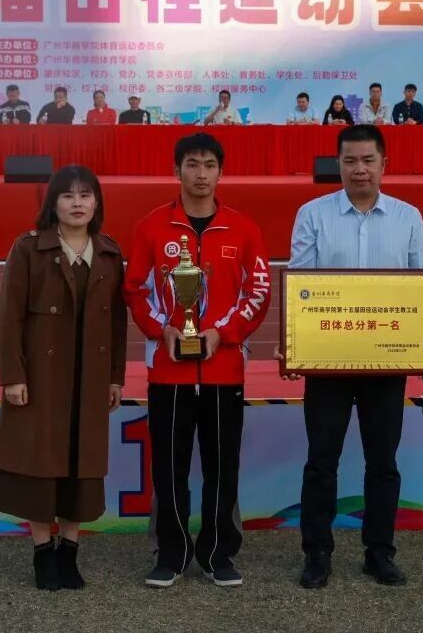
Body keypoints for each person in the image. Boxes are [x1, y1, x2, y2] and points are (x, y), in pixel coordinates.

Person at [284, 124, 423, 590]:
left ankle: (379, 552)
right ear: (338, 164)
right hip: (328, 361)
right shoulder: (312, 214)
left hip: (385, 362)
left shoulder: (408, 217)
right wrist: (295, 338)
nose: (360, 169)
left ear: (383, 164)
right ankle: (317, 553)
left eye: (368, 160)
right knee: (321, 460)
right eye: (350, 161)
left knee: (383, 461)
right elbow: (300, 285)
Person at [124, 133, 271, 589]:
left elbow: (258, 292)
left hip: (225, 371)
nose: (201, 174)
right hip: (168, 371)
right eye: (192, 164)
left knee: (222, 467)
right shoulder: (151, 227)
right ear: (177, 170)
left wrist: (222, 334)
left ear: (221, 172)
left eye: (209, 165)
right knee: (169, 467)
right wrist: (163, 330)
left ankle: (216, 553)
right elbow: (134, 290)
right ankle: (171, 553)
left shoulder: (244, 229)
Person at [0, 165, 128, 591]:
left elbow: (117, 324)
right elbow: (9, 317)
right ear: (53, 204)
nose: (77, 203)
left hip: (89, 380)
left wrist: (115, 378)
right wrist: (13, 375)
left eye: (85, 195)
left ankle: (69, 552)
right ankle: (42, 553)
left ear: (97, 203)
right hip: (41, 380)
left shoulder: (108, 254)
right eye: (67, 196)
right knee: (40, 466)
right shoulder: (28, 249)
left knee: (81, 465)